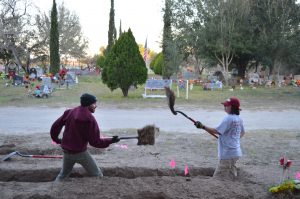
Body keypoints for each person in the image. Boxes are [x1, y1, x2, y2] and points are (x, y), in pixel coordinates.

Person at [50, 93, 120, 181]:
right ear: (88, 104)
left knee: (63, 175)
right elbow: (95, 142)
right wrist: (111, 141)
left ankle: (54, 188)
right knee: (97, 174)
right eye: (94, 104)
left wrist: (56, 139)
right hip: (80, 153)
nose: (96, 106)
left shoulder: (70, 112)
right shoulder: (90, 119)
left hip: (66, 152)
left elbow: (55, 126)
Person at [194, 97, 245, 179]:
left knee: (217, 179)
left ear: (232, 107)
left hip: (227, 154)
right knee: (231, 175)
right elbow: (242, 132)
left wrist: (202, 126)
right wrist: (232, 140)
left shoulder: (227, 119)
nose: (224, 107)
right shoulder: (239, 119)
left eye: (227, 106)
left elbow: (216, 131)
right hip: (236, 153)